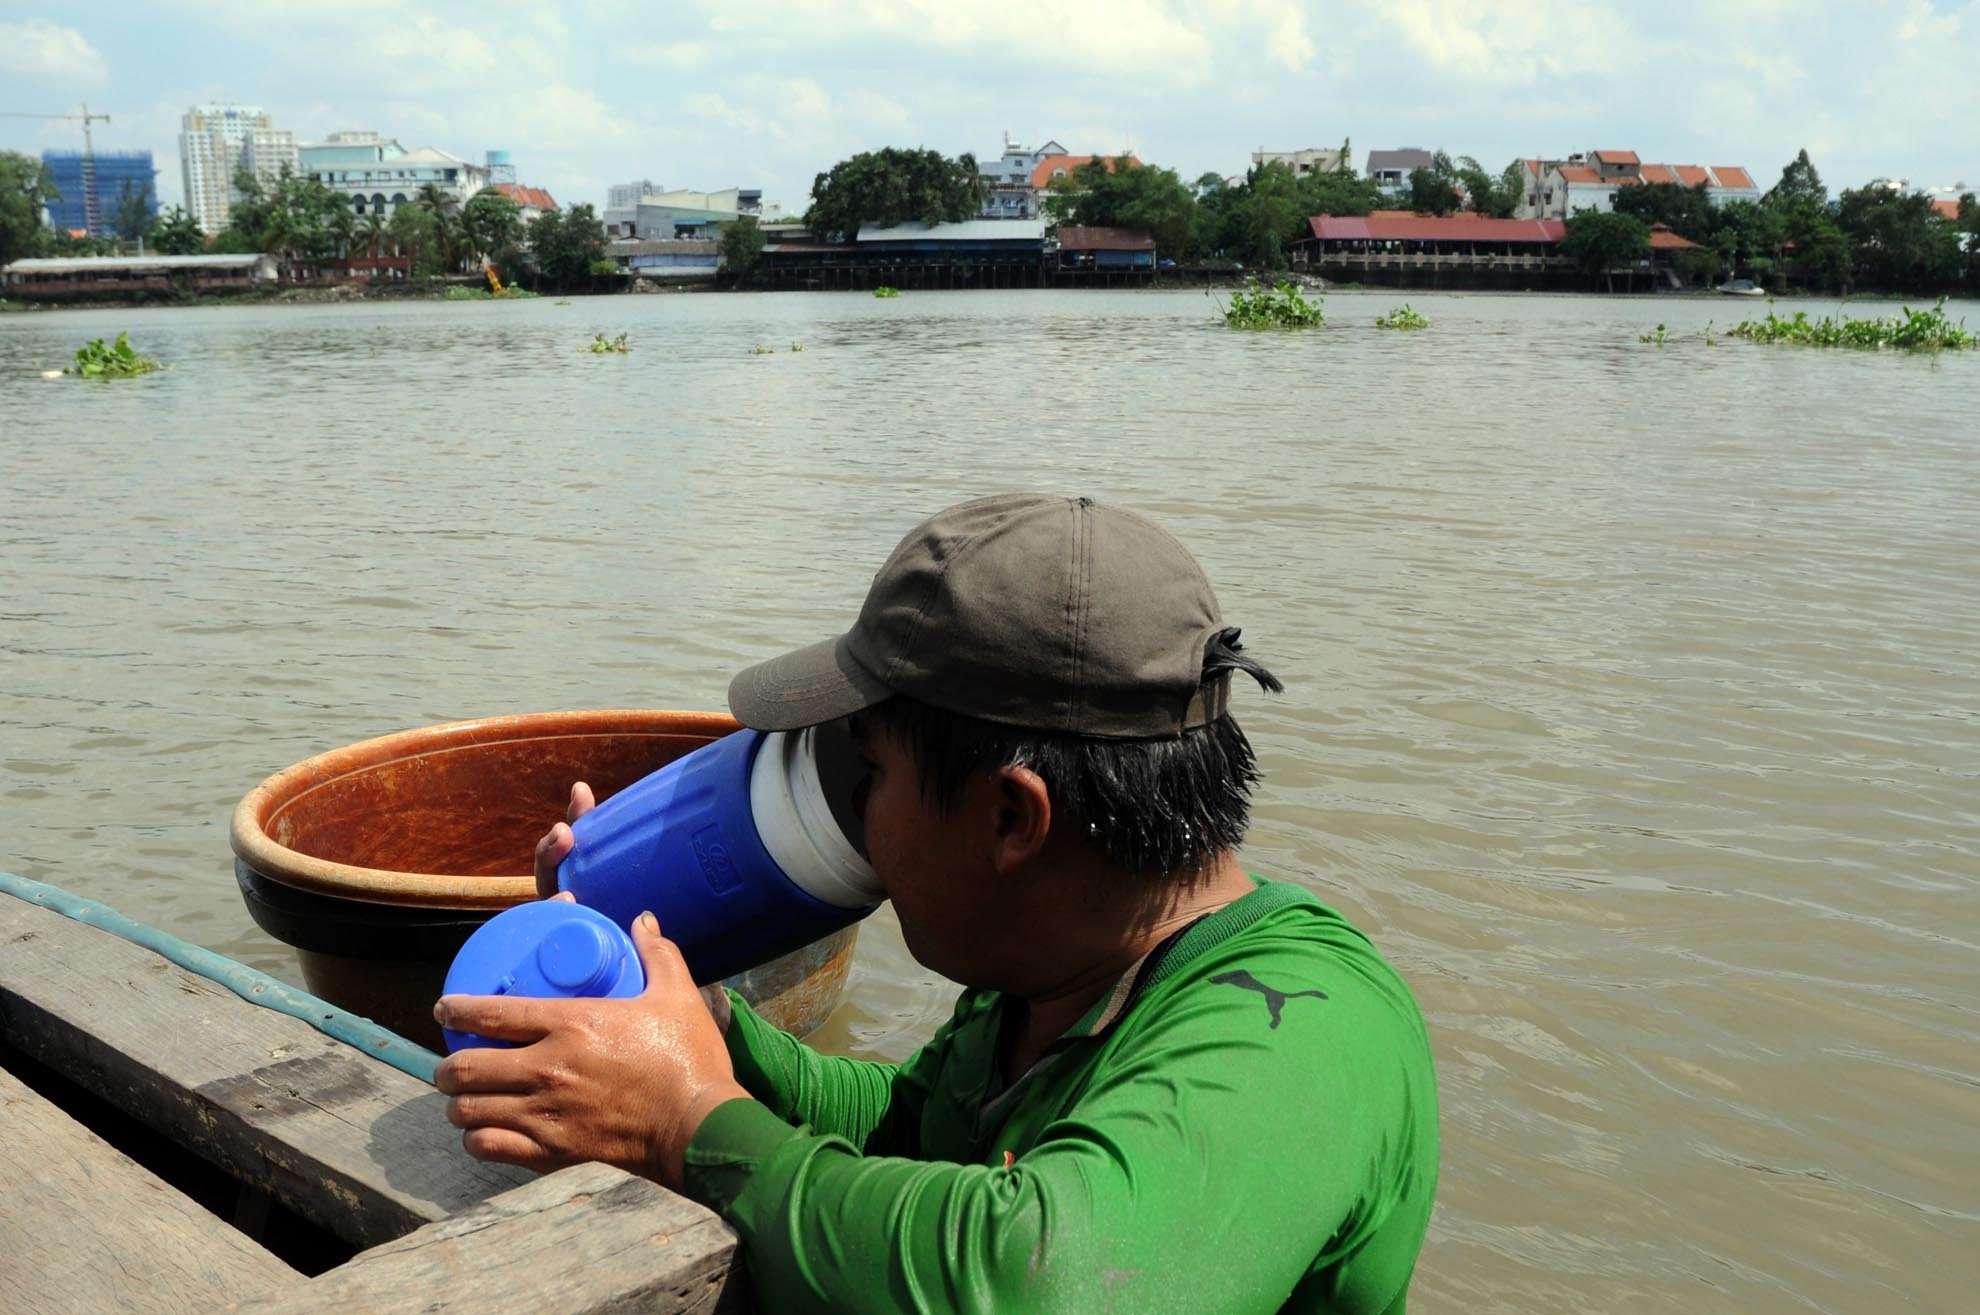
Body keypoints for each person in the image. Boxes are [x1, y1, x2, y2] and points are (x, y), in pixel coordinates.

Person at [434, 493, 1438, 1313]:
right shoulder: (1053, 972)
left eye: (867, 771)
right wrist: (684, 1026)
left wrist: (689, 1126)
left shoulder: (1300, 1028)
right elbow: (909, 1127)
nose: (856, 814)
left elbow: (1042, 1280)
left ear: (1011, 818)